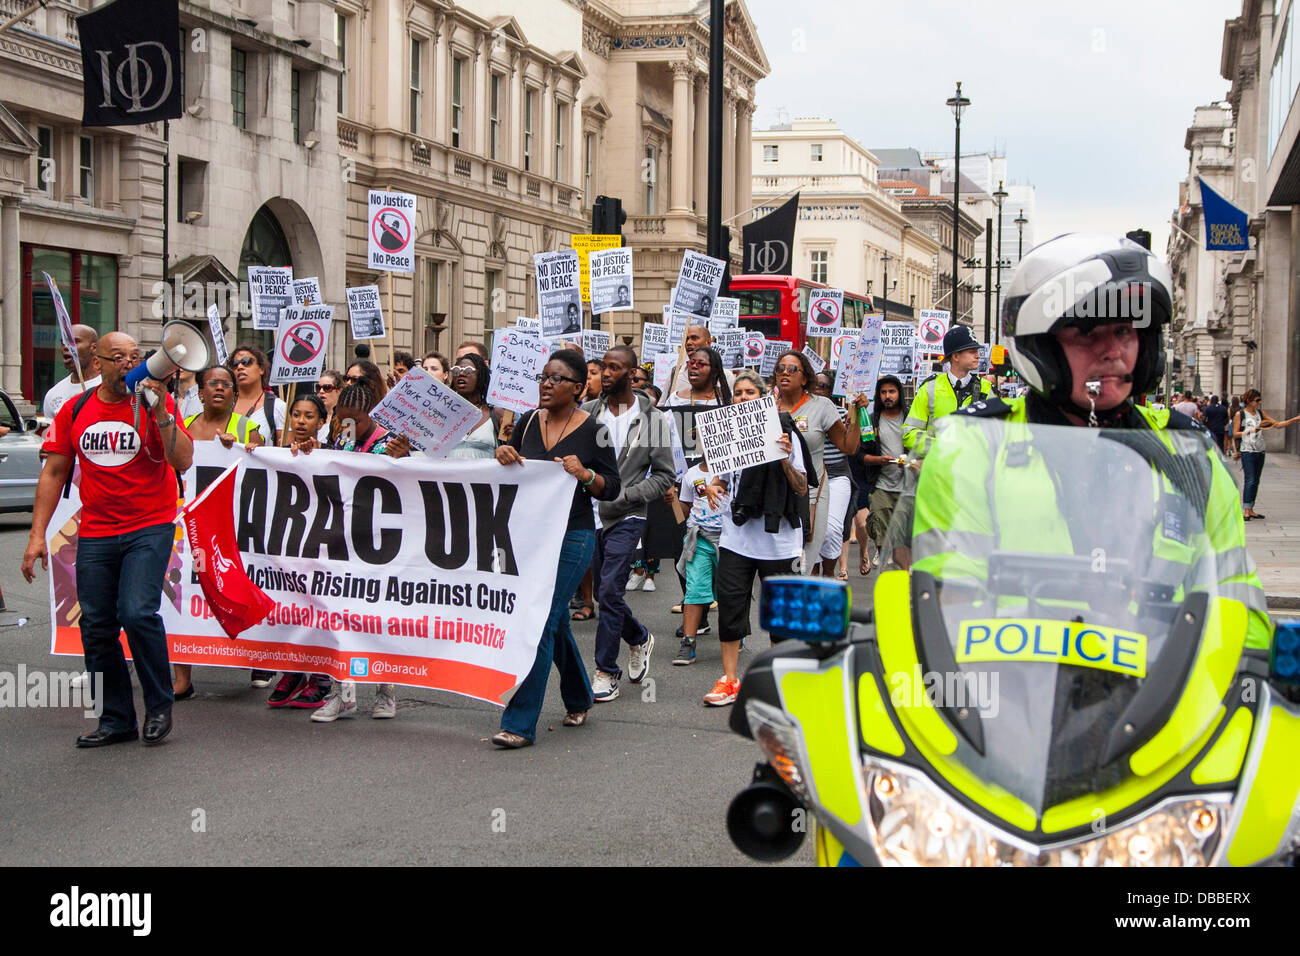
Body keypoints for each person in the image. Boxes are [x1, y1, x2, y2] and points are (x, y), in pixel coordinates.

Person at [910, 232, 1271, 652]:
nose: (1114, 351)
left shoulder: (1187, 453)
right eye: (1086, 333)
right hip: (1007, 696)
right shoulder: (973, 448)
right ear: (1038, 343)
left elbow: (1237, 602)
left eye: (1125, 330)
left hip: (1168, 700)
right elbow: (946, 602)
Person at [22, 332, 194, 747]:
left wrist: (161, 413)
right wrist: (36, 535)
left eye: (135, 356)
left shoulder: (158, 404)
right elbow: (54, 472)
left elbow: (183, 460)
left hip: (150, 526)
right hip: (97, 531)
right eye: (118, 357)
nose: (129, 363)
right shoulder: (77, 409)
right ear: (97, 364)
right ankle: (116, 719)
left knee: (136, 613)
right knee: (97, 626)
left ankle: (158, 704)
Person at [490, 351, 621, 748]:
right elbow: (506, 467)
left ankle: (519, 723)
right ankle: (580, 695)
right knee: (557, 624)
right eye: (544, 377)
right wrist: (503, 454)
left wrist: (587, 475)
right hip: (529, 536)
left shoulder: (595, 430)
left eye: (557, 379)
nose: (546, 384)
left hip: (573, 536)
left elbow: (612, 487)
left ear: (578, 388)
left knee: (542, 620)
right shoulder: (527, 421)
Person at [702, 371, 809, 705]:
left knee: (780, 613)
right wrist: (713, 486)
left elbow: (802, 486)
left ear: (764, 398)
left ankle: (778, 681)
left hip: (778, 538)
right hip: (737, 537)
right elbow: (720, 479)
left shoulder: (785, 432)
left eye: (750, 392)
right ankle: (730, 679)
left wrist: (783, 460)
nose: (743, 397)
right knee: (731, 605)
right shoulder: (730, 433)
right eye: (738, 393)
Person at [582, 346, 675, 702]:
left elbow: (665, 475)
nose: (605, 373)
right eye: (603, 367)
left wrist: (627, 495)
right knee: (603, 590)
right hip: (588, 514)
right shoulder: (588, 413)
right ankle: (638, 637)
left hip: (627, 514)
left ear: (632, 373)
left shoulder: (653, 420)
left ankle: (606, 670)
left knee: (608, 591)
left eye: (613, 368)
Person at [311, 383, 404, 721]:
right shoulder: (344, 439)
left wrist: (401, 459)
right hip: (344, 539)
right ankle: (342, 693)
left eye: (355, 421)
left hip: (382, 543)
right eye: (342, 420)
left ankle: (386, 693)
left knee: (379, 618)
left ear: (372, 415)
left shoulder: (391, 440)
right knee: (341, 616)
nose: (348, 427)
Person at [263, 394, 334, 709]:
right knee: (288, 605)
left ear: (321, 423)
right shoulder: (275, 454)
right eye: (296, 415)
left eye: (309, 417)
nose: (301, 422)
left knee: (316, 608)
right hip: (285, 541)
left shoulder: (330, 455)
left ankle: (319, 675)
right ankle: (293, 670)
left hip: (318, 542)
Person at [770, 349, 859, 570]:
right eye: (780, 369)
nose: (785, 373)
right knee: (775, 565)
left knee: (802, 564)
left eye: (792, 369)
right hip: (773, 496)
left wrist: (856, 414)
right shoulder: (765, 406)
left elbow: (848, 446)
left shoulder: (822, 406)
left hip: (810, 496)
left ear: (805, 377)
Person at [902, 324, 993, 457]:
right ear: (956, 356)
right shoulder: (930, 388)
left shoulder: (987, 389)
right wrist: (942, 447)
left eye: (977, 351)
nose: (978, 356)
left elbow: (998, 435)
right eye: (972, 351)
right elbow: (909, 433)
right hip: (937, 472)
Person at [809, 371, 857, 579]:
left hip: (836, 475)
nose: (819, 389)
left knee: (831, 530)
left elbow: (853, 445)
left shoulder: (841, 413)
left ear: (832, 390)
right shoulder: (803, 411)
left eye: (824, 386)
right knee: (809, 532)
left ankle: (828, 571)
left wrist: (854, 417)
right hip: (809, 477)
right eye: (816, 385)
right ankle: (813, 574)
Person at [859, 375, 908, 573]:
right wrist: (879, 460)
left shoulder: (911, 418)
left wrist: (912, 462)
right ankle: (883, 555)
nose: (888, 396)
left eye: (892, 392)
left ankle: (903, 572)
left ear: (899, 394)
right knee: (878, 522)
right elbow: (860, 455)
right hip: (880, 484)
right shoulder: (871, 421)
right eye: (883, 392)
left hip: (907, 486)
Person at [1235, 388, 1300, 520]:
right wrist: (1253, 430)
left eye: (1260, 400)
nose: (1259, 402)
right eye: (1257, 400)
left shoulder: (1260, 413)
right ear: (1249, 400)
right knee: (1250, 479)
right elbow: (1235, 433)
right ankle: (1246, 510)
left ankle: (1251, 509)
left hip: (1260, 450)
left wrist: (1295, 419)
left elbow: (1277, 425)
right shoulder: (1240, 414)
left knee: (1256, 481)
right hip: (1247, 450)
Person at [228, 344, 285, 454]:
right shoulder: (224, 405)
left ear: (261, 369)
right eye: (234, 364)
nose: (239, 367)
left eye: (247, 362)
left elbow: (284, 455)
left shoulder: (278, 407)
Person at [444, 352, 499, 459]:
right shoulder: (444, 414)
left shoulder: (496, 414)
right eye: (456, 370)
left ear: (480, 375)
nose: (461, 374)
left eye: (468, 371)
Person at [43, 324, 101, 419]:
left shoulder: (109, 387)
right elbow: (52, 432)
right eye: (63, 342)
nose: (66, 347)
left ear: (93, 348)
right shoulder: (53, 395)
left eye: (74, 342)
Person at [316, 369, 343, 441]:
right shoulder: (313, 416)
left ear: (339, 390)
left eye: (327, 387)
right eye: (318, 388)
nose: (321, 391)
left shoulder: (345, 419)